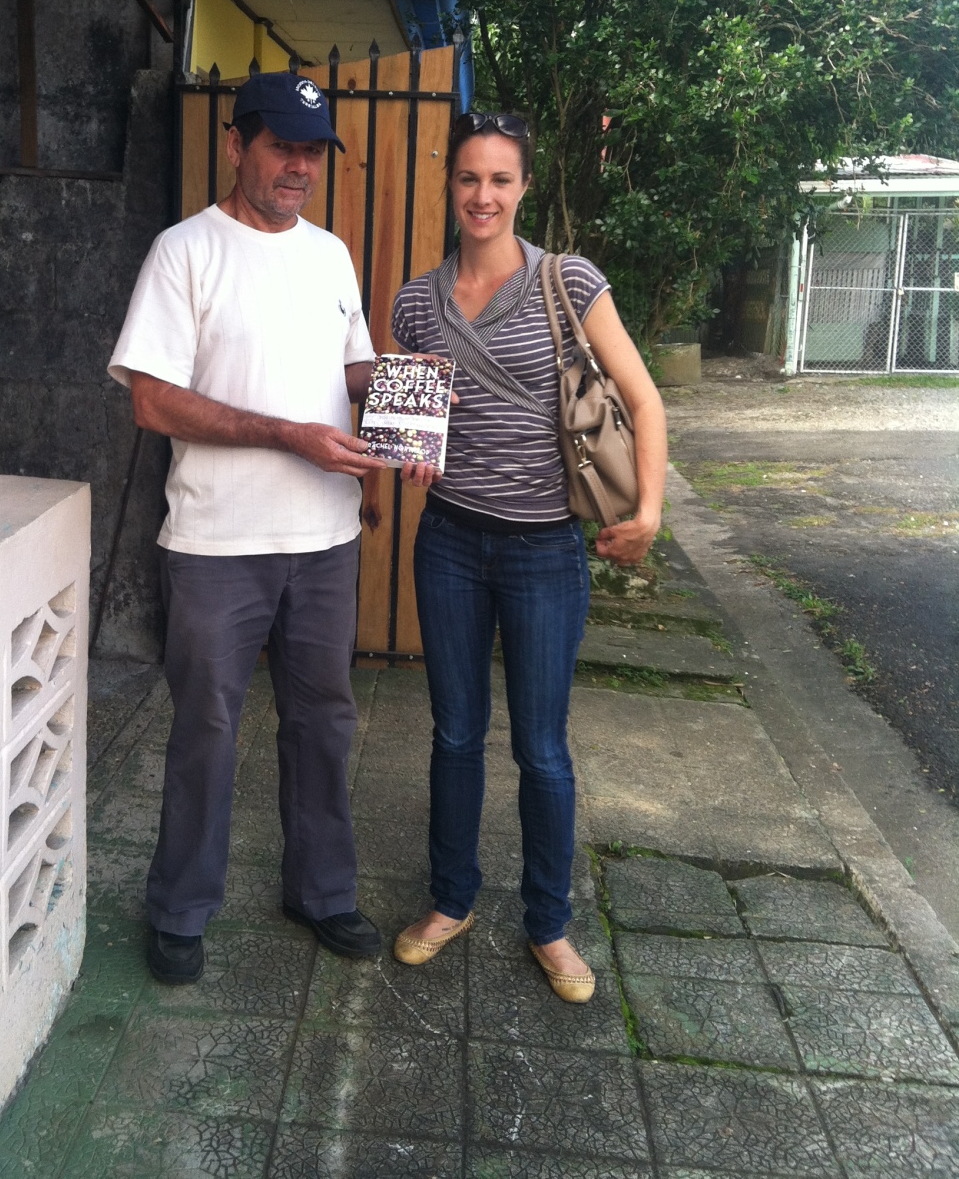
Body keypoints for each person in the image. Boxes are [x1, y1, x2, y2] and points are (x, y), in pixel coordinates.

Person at [108, 70, 386, 985]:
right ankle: (182, 908)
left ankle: (322, 891)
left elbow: (352, 374)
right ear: (237, 146)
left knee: (324, 721)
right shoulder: (185, 252)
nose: (298, 167)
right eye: (281, 146)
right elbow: (151, 400)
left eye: (313, 151)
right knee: (206, 728)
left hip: (324, 539)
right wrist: (285, 435)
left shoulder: (333, 255)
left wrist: (411, 402)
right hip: (216, 545)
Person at [389, 111, 668, 1002]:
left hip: (547, 551)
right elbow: (412, 428)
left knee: (542, 748)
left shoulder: (567, 281)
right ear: (451, 185)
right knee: (455, 734)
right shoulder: (412, 301)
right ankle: (452, 900)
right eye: (470, 178)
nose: (483, 196)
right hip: (450, 544)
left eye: (500, 180)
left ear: (523, 188)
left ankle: (549, 923)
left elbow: (644, 399)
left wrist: (650, 511)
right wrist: (407, 455)